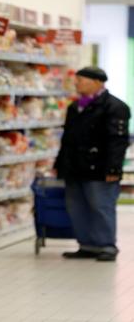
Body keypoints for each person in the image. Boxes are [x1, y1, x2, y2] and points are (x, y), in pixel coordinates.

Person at [54, 66, 131, 262]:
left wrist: (114, 167)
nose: (77, 83)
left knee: (100, 205)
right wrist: (60, 163)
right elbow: (67, 138)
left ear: (97, 82)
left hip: (100, 167)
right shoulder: (75, 107)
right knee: (76, 206)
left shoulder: (115, 107)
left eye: (81, 80)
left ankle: (106, 245)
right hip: (75, 167)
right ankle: (87, 244)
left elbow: (118, 140)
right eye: (77, 80)